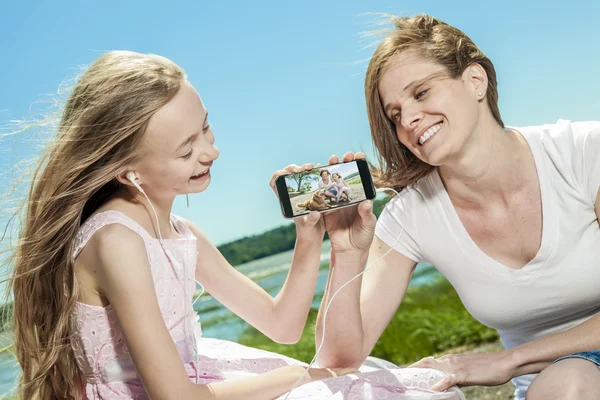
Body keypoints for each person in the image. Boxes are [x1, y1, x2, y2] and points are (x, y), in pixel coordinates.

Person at [5, 50, 462, 400]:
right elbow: (173, 395)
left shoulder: (182, 233)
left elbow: (282, 326)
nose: (210, 152)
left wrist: (309, 239)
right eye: (186, 151)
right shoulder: (115, 240)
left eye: (206, 128)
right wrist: (298, 375)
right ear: (129, 173)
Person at [315, 15, 600, 400]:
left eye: (421, 93)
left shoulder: (583, 151)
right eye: (395, 114)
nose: (409, 120)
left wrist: (509, 361)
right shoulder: (410, 216)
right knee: (565, 385)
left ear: (475, 81)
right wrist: (346, 253)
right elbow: (338, 359)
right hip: (557, 388)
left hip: (557, 378)